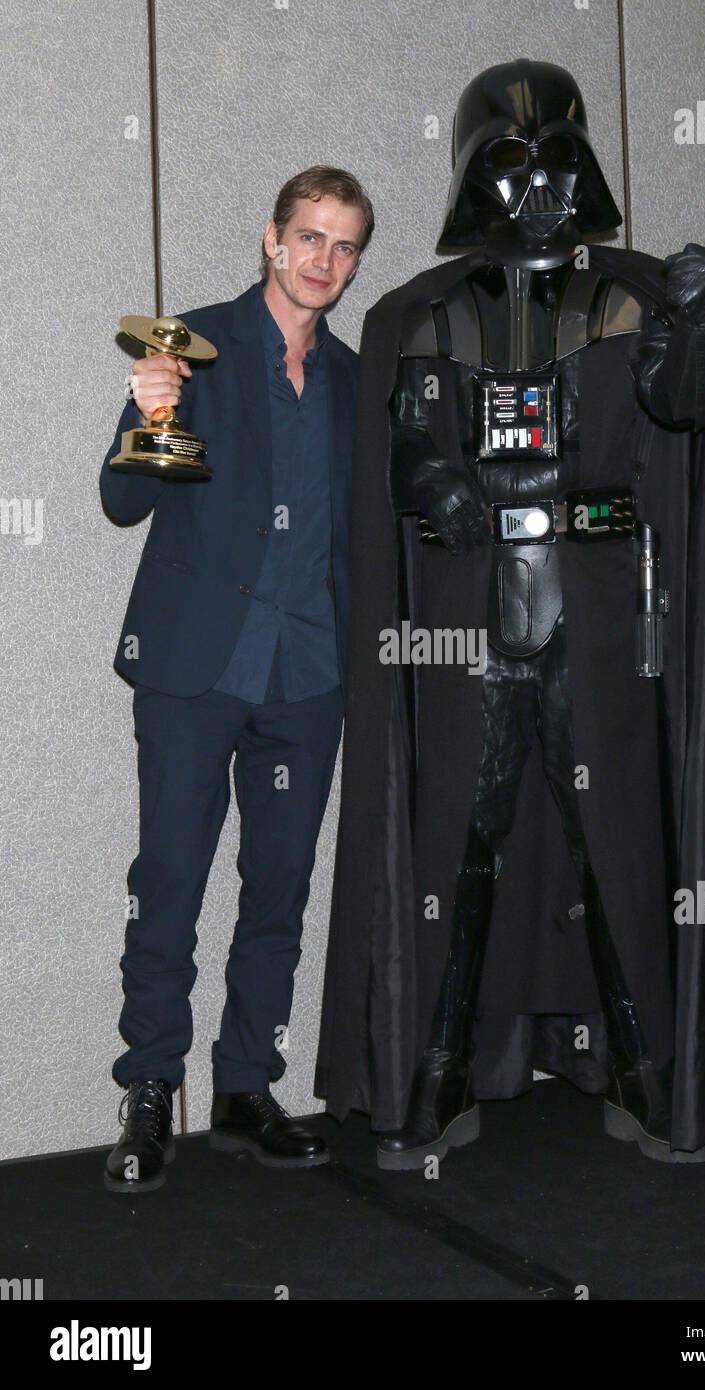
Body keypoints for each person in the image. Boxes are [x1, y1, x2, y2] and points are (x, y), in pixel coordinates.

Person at [314, 61, 705, 1168]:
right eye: (511, 168)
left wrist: (702, 318)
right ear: (473, 177)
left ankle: (644, 1072)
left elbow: (684, 407)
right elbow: (399, 445)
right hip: (464, 620)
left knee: (611, 844)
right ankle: (431, 1079)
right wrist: (424, 475)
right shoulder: (415, 317)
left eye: (556, 167)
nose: (534, 194)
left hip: (600, 615)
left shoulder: (633, 298)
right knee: (459, 851)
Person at [100, 166, 373, 1193]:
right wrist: (146, 414)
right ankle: (148, 1090)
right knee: (168, 877)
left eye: (343, 246)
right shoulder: (190, 346)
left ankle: (246, 1085)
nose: (322, 262)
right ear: (270, 239)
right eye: (308, 237)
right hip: (192, 667)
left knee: (281, 885)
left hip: (307, 674)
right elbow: (121, 498)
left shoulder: (352, 380)